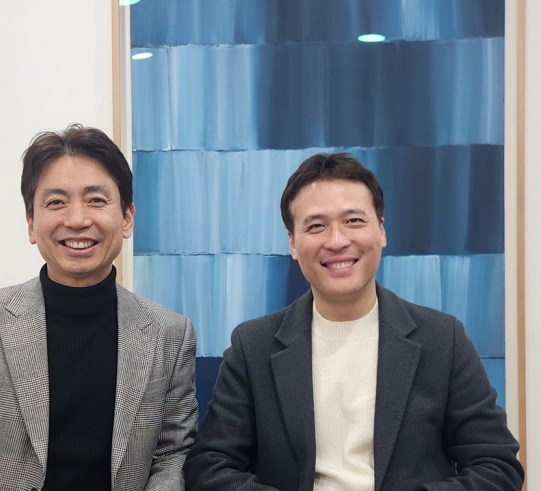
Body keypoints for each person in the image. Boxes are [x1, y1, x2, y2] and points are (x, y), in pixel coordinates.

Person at [183, 153, 523, 490]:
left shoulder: (442, 340)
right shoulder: (253, 346)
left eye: (354, 221)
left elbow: (497, 466)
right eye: (316, 226)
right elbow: (211, 466)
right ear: (293, 244)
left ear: (381, 231)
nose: (337, 241)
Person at [0, 125, 197, 491]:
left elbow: (171, 458)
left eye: (96, 200)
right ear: (31, 223)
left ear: (126, 218)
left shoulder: (170, 334)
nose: (76, 220)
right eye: (56, 202)